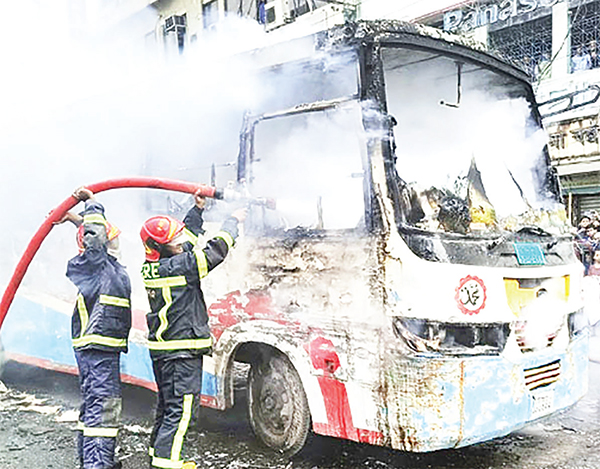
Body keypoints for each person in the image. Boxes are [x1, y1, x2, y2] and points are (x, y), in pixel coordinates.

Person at [140, 189, 246, 469]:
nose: (180, 240)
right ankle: (167, 464)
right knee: (183, 410)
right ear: (161, 247)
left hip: (165, 350)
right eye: (173, 239)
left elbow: (186, 242)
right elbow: (214, 252)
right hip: (181, 350)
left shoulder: (155, 265)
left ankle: (158, 457)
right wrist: (232, 222)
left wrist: (197, 211)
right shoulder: (180, 267)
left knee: (168, 407)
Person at [63, 187, 132, 469]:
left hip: (97, 348)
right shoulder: (97, 265)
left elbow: (93, 239)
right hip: (99, 349)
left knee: (93, 406)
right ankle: (97, 465)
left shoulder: (102, 267)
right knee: (103, 410)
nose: (115, 241)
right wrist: (93, 205)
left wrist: (73, 219)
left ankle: (90, 462)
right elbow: (94, 241)